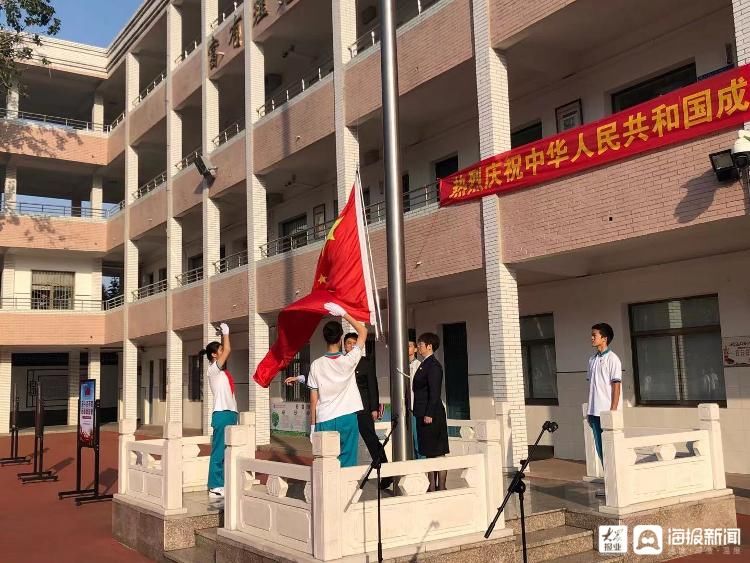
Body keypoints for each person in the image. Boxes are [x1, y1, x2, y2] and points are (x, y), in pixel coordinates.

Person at [307, 303, 368, 468]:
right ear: (341, 338)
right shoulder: (349, 360)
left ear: (324, 338)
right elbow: (363, 332)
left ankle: (328, 494)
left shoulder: (316, 365)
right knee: (347, 463)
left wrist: (312, 426)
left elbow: (314, 400)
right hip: (347, 417)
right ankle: (346, 494)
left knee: (326, 465)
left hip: (324, 418)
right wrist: (344, 313)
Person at [586, 322, 622, 496]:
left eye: (595, 335)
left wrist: (613, 411)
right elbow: (593, 387)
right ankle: (609, 485)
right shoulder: (592, 360)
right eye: (592, 335)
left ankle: (617, 486)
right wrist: (589, 411)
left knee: (610, 451)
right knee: (601, 451)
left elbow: (616, 386)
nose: (592, 338)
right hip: (594, 413)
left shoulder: (613, 359)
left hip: (607, 413)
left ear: (604, 338)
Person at [203, 322, 237, 499]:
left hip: (230, 413)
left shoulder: (222, 372)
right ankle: (215, 485)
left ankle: (223, 482)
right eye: (220, 350)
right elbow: (229, 350)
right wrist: (226, 333)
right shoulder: (212, 370)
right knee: (218, 450)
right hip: (222, 413)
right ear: (214, 355)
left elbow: (227, 351)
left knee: (227, 450)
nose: (224, 352)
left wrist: (223, 336)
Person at [413, 332, 449, 491]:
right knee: (428, 451)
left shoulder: (433, 366)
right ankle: (431, 486)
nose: (418, 347)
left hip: (432, 415)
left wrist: (429, 413)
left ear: (429, 346)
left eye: (421, 344)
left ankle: (441, 486)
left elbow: (434, 393)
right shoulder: (423, 364)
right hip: (422, 413)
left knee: (438, 451)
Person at [407, 338, 424, 459]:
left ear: (415, 349)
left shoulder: (419, 366)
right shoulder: (402, 365)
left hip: (415, 408)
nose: (407, 348)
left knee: (417, 440)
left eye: (409, 346)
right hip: (405, 408)